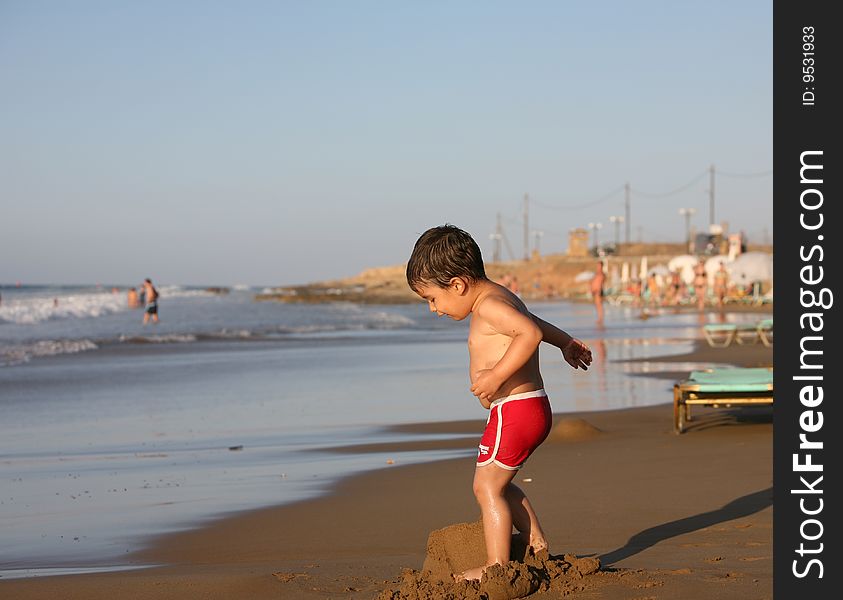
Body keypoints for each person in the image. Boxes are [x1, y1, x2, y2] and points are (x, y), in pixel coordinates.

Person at [405, 224, 592, 582]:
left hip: (515, 409)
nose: (433, 309)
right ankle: (534, 541)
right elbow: (532, 323)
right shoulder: (499, 297)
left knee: (485, 487)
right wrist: (565, 341)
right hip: (527, 408)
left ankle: (497, 566)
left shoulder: (488, 306)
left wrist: (495, 377)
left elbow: (529, 333)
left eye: (432, 298)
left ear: (457, 285)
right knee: (499, 483)